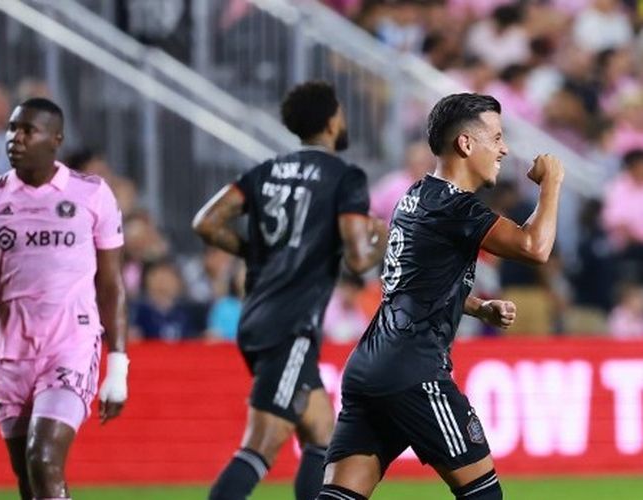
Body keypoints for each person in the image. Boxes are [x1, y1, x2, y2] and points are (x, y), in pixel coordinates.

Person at [318, 93, 565, 500]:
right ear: (466, 144)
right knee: (483, 495)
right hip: (414, 371)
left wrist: (476, 306)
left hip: (368, 369)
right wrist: (552, 183)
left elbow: (408, 285)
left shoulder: (415, 196)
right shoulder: (456, 207)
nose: (504, 148)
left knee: (340, 497)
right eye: (497, 137)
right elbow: (534, 247)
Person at [193, 81, 388, 500]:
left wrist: (258, 253)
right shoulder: (345, 177)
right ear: (333, 119)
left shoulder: (265, 172)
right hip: (291, 326)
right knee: (261, 444)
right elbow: (357, 259)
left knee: (323, 434)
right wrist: (384, 240)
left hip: (257, 315)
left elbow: (206, 222)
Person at [0, 98, 129, 500]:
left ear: (56, 139)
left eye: (27, 130)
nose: (15, 138)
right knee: (28, 478)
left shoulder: (92, 194)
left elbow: (111, 284)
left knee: (43, 457)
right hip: (13, 350)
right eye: (12, 129)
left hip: (70, 344)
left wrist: (117, 368)